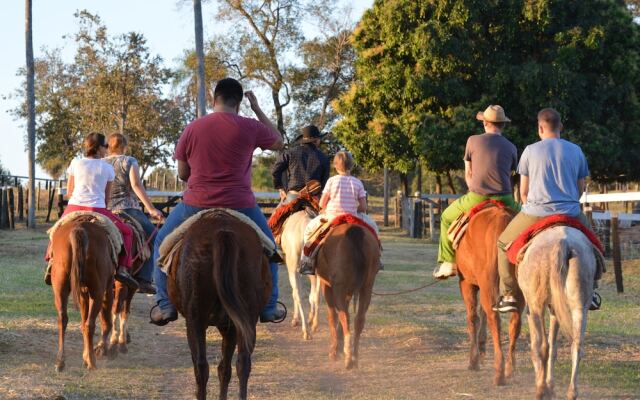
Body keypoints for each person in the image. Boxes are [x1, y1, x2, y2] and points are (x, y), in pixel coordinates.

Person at [150, 77, 285, 326]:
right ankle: (268, 306)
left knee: (160, 242)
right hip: (240, 203)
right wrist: (256, 108)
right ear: (239, 102)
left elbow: (182, 174)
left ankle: (165, 304)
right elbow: (278, 141)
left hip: (196, 203)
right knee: (271, 249)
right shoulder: (250, 126)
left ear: (214, 99)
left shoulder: (193, 128)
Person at [494, 108, 601, 312]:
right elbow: (580, 188)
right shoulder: (576, 150)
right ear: (560, 126)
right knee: (594, 246)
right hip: (570, 212)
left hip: (536, 212)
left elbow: (523, 191)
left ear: (540, 127)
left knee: (502, 243)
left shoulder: (530, 151)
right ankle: (592, 291)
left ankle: (508, 295)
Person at [433, 105, 520, 279]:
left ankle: (448, 262)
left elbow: (469, 174)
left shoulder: (472, 141)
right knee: (527, 223)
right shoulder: (511, 147)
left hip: (477, 196)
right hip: (505, 197)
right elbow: (512, 176)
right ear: (502, 124)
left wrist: (474, 188)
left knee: (445, 218)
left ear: (485, 123)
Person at [44, 133, 138, 289]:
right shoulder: (107, 168)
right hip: (98, 209)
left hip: (74, 206)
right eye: (105, 146)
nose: (107, 149)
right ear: (99, 148)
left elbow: (69, 191)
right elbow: (107, 198)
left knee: (56, 230)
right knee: (127, 232)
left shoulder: (75, 163)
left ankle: (50, 261)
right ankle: (122, 268)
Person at [299, 151, 378, 275]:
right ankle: (377, 259)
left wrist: (324, 208)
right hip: (352, 217)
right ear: (352, 166)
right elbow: (363, 207)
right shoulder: (358, 183)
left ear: (335, 166)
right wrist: (353, 208)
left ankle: (306, 260)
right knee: (373, 228)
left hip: (332, 217)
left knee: (309, 229)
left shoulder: (331, 181)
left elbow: (322, 204)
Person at [104, 133, 164, 294]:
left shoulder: (100, 162)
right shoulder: (129, 161)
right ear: (125, 146)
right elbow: (136, 185)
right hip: (127, 208)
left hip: (105, 209)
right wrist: (151, 209)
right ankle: (144, 279)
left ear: (108, 147)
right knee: (155, 237)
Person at [271, 125, 330, 204]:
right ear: (316, 140)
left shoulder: (290, 153)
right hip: (313, 199)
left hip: (293, 196)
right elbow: (324, 182)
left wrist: (280, 188)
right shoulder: (324, 158)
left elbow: (275, 170)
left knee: (276, 215)